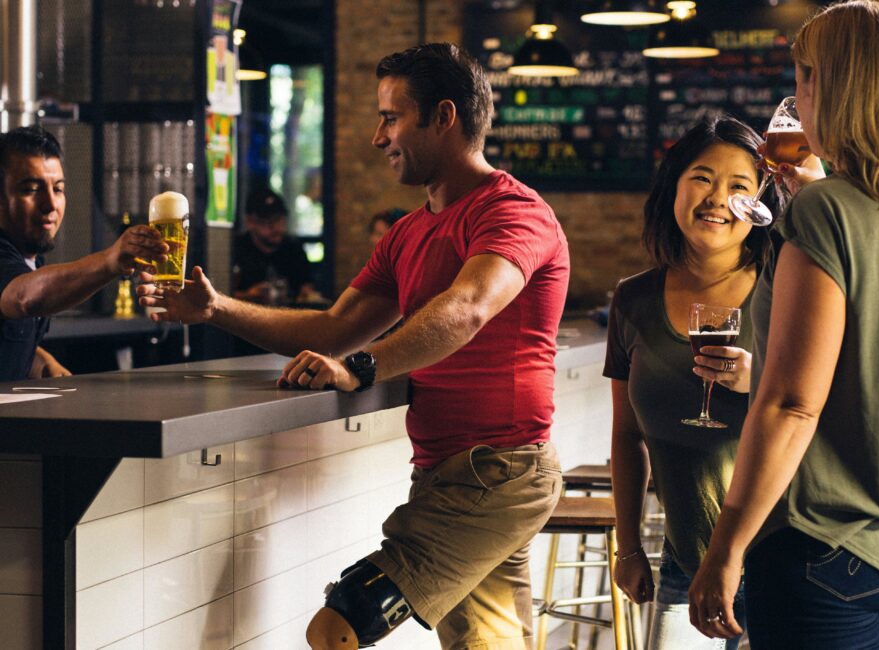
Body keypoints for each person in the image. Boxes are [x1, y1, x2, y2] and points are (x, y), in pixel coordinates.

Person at [137, 42, 570, 650]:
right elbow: (333, 328)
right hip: (448, 474)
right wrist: (215, 308)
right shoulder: (408, 233)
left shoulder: (513, 211)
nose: (378, 136)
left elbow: (469, 306)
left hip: (496, 474)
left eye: (391, 117)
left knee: (337, 627)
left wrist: (360, 369)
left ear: (444, 117)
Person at [687, 2, 879, 648]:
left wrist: (727, 546)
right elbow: (877, 361)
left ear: (833, 86)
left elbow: (792, 404)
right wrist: (814, 193)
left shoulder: (825, 215)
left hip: (823, 546)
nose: (797, 94)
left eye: (805, 76)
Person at [605, 115, 782, 650]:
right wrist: (629, 544)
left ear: (759, 205)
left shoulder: (787, 285)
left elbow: (827, 409)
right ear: (674, 187)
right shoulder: (633, 300)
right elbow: (626, 435)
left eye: (739, 187)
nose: (717, 199)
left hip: (785, 559)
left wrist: (757, 380)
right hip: (686, 559)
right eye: (702, 178)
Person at [0, 125, 167, 381]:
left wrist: (44, 363)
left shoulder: (29, 259)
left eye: (57, 189)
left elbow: (12, 337)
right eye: (31, 189)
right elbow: (23, 298)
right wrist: (110, 260)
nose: (50, 204)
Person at [233, 186, 319, 305]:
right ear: (250, 222)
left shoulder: (293, 249)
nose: (278, 228)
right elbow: (220, 296)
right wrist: (248, 296)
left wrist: (306, 295)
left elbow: (307, 288)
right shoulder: (235, 249)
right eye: (269, 222)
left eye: (280, 220)